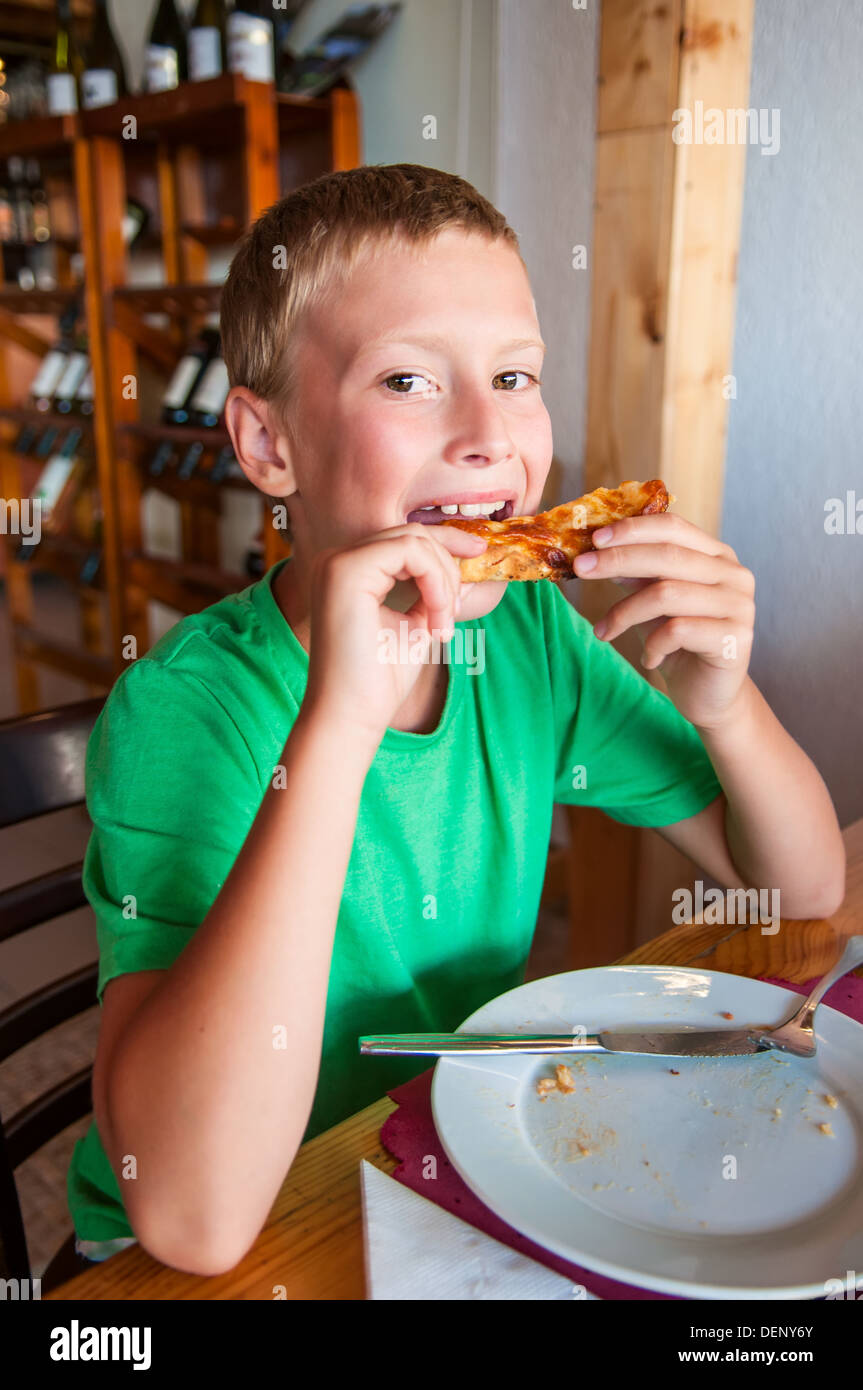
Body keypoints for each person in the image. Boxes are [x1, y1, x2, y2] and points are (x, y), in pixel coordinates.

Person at [66, 164, 845, 1276]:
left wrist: (725, 707)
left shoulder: (523, 640)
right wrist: (339, 722)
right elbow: (192, 1219)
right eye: (406, 380)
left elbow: (798, 891)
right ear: (268, 445)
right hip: (223, 1227)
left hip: (429, 1150)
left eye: (513, 374)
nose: (488, 437)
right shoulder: (186, 710)